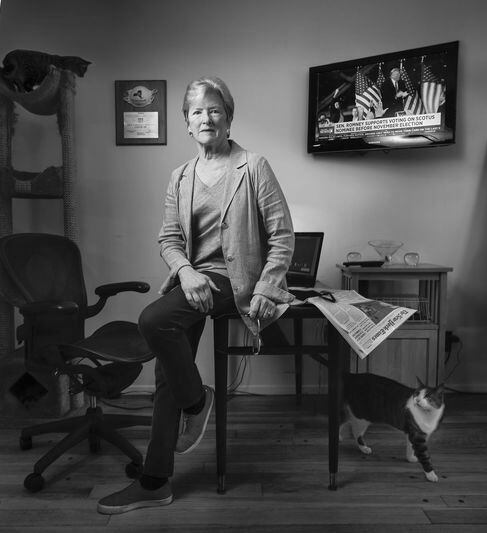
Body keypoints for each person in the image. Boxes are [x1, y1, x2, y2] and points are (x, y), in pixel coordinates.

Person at [97, 76, 295, 514]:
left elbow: (282, 235)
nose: (206, 118)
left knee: (152, 320)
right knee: (168, 372)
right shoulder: (181, 176)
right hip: (193, 281)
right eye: (197, 111)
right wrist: (185, 271)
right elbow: (169, 238)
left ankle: (198, 401)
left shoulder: (254, 166)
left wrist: (267, 286)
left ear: (228, 118)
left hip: (234, 281)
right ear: (187, 123)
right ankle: (155, 481)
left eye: (215, 110)